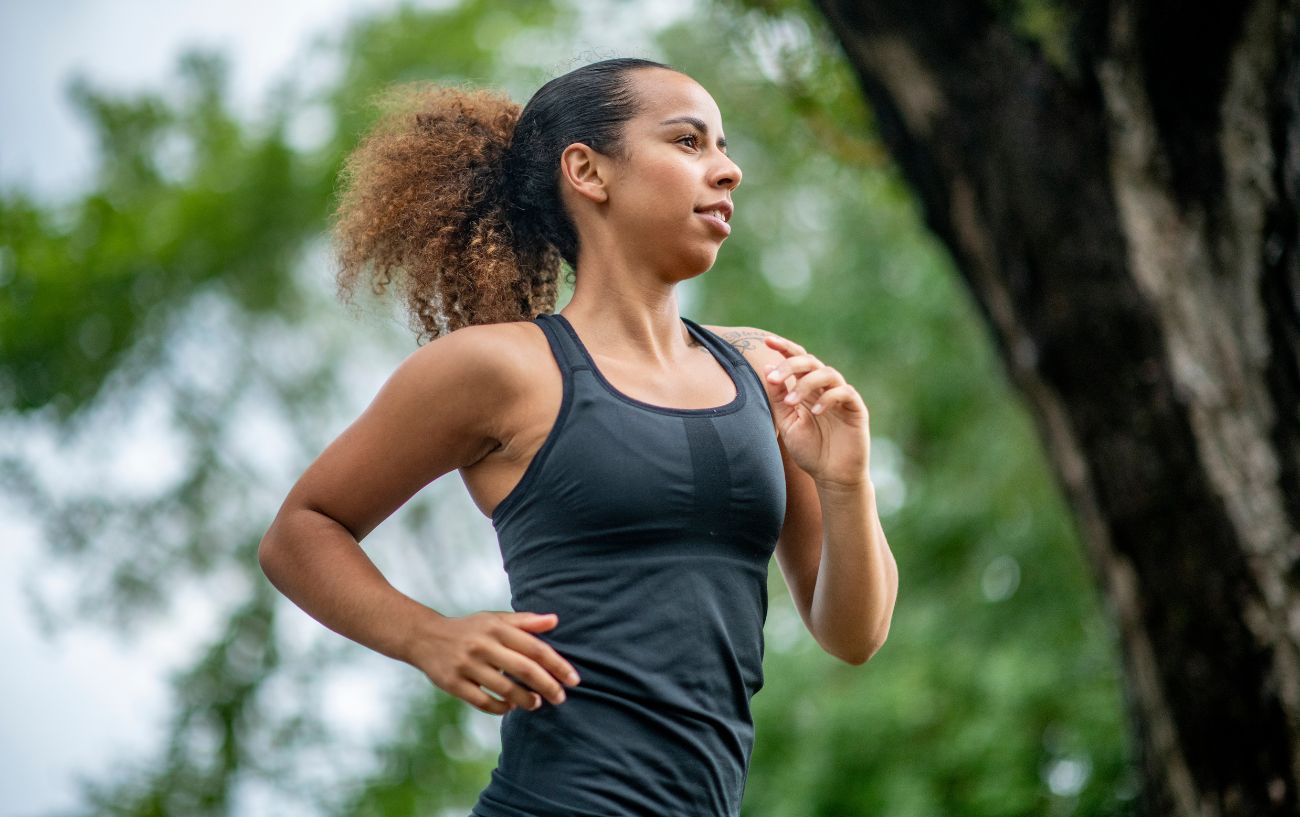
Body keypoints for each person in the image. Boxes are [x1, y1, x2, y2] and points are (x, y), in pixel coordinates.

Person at [258, 55, 899, 817]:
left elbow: (853, 634)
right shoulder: (498, 368)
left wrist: (846, 479)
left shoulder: (766, 371)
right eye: (690, 142)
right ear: (589, 171)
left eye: (724, 148)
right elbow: (301, 530)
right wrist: (427, 636)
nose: (726, 171)